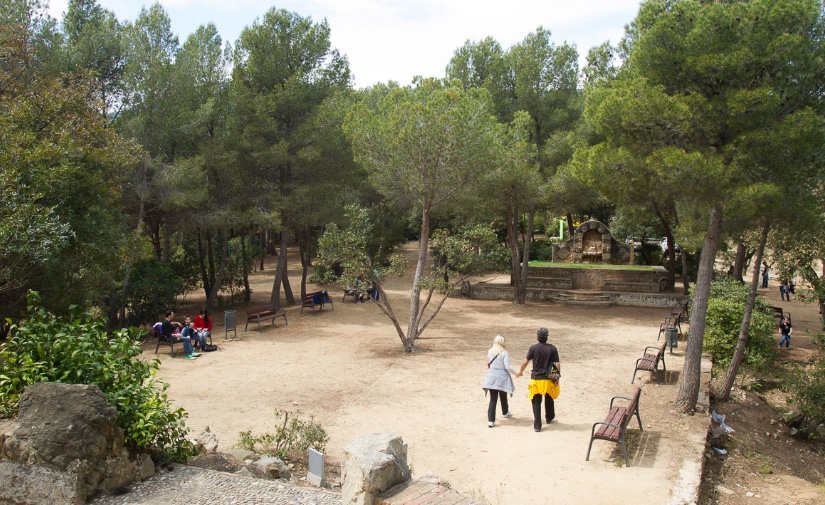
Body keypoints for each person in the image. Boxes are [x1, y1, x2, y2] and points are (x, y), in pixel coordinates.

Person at [516, 327, 560, 432]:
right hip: (548, 378)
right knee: (549, 398)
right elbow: (557, 364)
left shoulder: (533, 348)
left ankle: (537, 425)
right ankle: (549, 417)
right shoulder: (552, 348)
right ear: (547, 337)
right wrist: (557, 376)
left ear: (538, 337)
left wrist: (521, 371)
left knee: (536, 402)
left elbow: (526, 361)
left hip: (536, 379)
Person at [482, 335, 518, 428]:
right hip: (502, 377)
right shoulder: (504, 353)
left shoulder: (490, 351)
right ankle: (505, 412)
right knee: (503, 395)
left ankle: (491, 420)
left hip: (492, 376)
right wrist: (516, 373)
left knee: (493, 399)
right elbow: (507, 367)